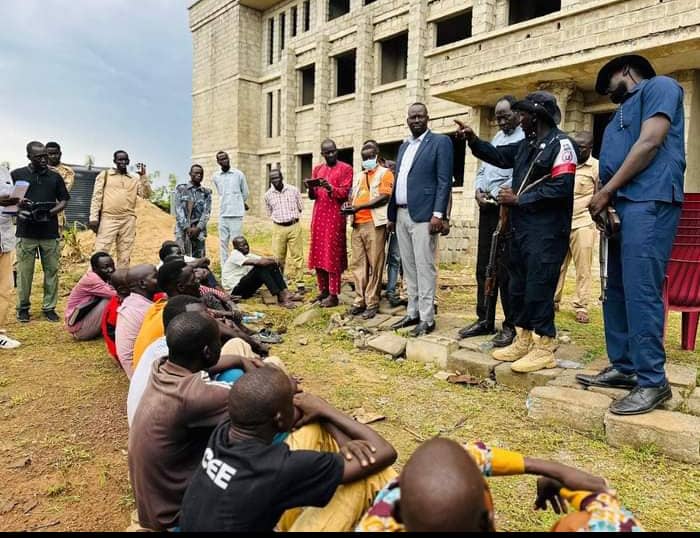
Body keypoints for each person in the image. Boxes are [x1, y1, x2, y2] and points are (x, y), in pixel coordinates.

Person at [577, 55, 685, 415]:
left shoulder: (660, 87)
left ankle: (653, 381)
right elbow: (606, 170)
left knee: (641, 289)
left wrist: (606, 194)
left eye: (609, 84)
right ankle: (625, 367)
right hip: (619, 208)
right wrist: (605, 203)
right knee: (616, 290)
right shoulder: (614, 121)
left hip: (650, 200)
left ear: (625, 71)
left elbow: (650, 142)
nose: (608, 94)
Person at [180, 366, 397, 532]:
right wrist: (325, 408)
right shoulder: (277, 467)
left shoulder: (224, 431)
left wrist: (331, 428)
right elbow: (384, 452)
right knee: (370, 476)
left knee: (313, 429)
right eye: (290, 403)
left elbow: (305, 415)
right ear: (279, 418)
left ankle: (344, 465)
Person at [455, 92, 577, 373]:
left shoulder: (562, 145)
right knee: (517, 285)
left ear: (536, 116)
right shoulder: (526, 145)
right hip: (520, 230)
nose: (519, 119)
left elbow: (561, 187)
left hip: (546, 233)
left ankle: (544, 346)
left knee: (539, 286)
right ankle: (523, 338)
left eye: (523, 114)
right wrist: (473, 140)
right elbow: (497, 155)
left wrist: (520, 200)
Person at [128, 312, 263, 531]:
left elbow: (209, 368)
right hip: (179, 519)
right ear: (208, 352)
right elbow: (267, 403)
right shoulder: (194, 395)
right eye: (219, 341)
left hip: (156, 506)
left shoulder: (161, 368)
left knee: (236, 375)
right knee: (272, 433)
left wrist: (240, 359)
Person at [356, 437, 641, 532]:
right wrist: (561, 476)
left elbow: (467, 456)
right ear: (487, 517)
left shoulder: (380, 519)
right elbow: (611, 514)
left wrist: (542, 467)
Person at [458, 96, 524, 347]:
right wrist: (477, 190)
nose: (502, 121)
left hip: (506, 210)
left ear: (517, 114)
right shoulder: (497, 138)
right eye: (498, 117)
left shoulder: (522, 141)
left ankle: (510, 325)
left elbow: (518, 176)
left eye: (506, 115)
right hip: (487, 208)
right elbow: (483, 169)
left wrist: (498, 194)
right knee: (483, 266)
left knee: (505, 270)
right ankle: (484, 318)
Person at [388, 104, 453, 337]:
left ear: (427, 118)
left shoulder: (440, 142)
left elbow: (444, 181)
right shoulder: (404, 147)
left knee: (425, 267)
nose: (416, 120)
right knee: (409, 267)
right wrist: (392, 214)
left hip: (424, 215)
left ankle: (427, 317)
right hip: (402, 214)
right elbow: (399, 181)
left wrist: (439, 214)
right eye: (412, 117)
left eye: (420, 116)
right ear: (407, 120)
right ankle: (412, 312)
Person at [12, 141, 70, 323]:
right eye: (39, 157)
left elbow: (63, 200)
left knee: (51, 271)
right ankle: (23, 308)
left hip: (49, 232)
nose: (45, 159)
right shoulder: (18, 175)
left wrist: (50, 213)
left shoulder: (55, 177)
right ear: (29, 157)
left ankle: (49, 308)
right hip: (26, 232)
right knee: (24, 273)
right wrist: (20, 209)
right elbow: (10, 201)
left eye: (46, 155)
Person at [345, 143, 394, 320]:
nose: (367, 160)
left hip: (375, 224)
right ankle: (360, 300)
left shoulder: (385, 173)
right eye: (364, 157)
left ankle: (372, 302)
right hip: (357, 224)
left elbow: (384, 197)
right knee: (358, 264)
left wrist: (358, 207)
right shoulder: (359, 176)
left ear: (377, 155)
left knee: (375, 264)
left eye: (370, 156)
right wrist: (350, 207)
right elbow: (353, 196)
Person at [554, 132, 599, 324]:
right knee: (557, 265)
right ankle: (553, 300)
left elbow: (600, 194)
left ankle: (581, 306)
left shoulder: (596, 167)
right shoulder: (565, 163)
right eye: (575, 145)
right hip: (562, 222)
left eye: (582, 147)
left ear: (589, 148)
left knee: (583, 268)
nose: (577, 149)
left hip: (583, 223)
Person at [306, 139, 353, 308]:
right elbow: (313, 197)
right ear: (323, 154)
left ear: (336, 151)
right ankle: (323, 291)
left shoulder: (346, 169)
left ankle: (334, 295)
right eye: (327, 152)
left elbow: (344, 193)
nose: (331, 154)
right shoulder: (318, 169)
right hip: (319, 217)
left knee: (332, 256)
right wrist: (311, 188)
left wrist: (329, 187)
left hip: (335, 218)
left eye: (333, 151)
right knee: (319, 255)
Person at [131, 259, 202, 369]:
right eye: (194, 280)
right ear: (181, 287)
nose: (198, 281)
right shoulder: (182, 315)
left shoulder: (157, 306)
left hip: (144, 374)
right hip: (158, 378)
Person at [88, 150, 151, 268]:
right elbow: (96, 197)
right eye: (120, 160)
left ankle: (120, 282)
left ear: (128, 161)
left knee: (125, 255)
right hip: (109, 218)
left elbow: (146, 195)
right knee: (100, 251)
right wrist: (94, 217)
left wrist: (143, 176)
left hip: (128, 220)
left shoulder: (133, 179)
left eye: (125, 160)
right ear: (114, 161)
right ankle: (93, 281)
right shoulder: (105, 175)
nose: (122, 162)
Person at [222, 236, 300, 309]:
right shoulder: (235, 255)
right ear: (236, 248)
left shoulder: (247, 255)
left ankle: (286, 293)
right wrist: (273, 261)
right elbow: (260, 263)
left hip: (245, 289)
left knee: (270, 265)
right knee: (261, 268)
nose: (246, 247)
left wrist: (274, 261)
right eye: (242, 246)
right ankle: (281, 297)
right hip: (235, 292)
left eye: (246, 244)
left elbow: (264, 260)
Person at [264, 168, 304, 291]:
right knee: (278, 258)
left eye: (277, 177)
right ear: (270, 180)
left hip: (294, 226)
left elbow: (300, 207)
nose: (275, 180)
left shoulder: (293, 190)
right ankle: (280, 283)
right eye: (272, 179)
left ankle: (300, 283)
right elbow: (269, 212)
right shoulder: (268, 195)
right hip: (278, 228)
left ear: (282, 177)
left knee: (297, 256)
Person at [116, 264, 159, 377]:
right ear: (142, 284)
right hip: (142, 373)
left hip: (138, 366)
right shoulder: (143, 309)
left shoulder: (133, 301)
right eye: (156, 276)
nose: (161, 278)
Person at [64, 252, 116, 340]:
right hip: (80, 330)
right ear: (94, 268)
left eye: (112, 265)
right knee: (111, 300)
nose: (111, 270)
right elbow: (116, 294)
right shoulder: (92, 279)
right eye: (106, 267)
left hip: (85, 321)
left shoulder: (102, 276)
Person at [213, 151, 249, 269]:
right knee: (223, 243)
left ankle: (237, 268)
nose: (225, 161)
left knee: (237, 243)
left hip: (236, 214)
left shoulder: (238, 174)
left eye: (226, 158)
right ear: (218, 162)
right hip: (223, 214)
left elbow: (245, 193)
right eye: (222, 159)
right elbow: (220, 193)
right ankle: (225, 269)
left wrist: (238, 202)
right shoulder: (216, 176)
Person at [0, 166, 21, 349]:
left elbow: (9, 204)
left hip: (4, 239)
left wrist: (17, 204)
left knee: (4, 289)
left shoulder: (4, 171)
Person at [174, 164, 211, 258]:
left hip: (199, 230)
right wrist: (186, 227)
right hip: (182, 229)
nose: (199, 175)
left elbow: (206, 212)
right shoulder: (181, 189)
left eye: (201, 173)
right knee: (181, 257)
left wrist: (198, 228)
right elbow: (178, 210)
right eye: (196, 173)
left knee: (198, 259)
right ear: (190, 174)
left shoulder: (206, 192)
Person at [46, 141, 74, 234]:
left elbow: (63, 193)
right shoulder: (38, 169)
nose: (53, 156)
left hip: (56, 213)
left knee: (55, 244)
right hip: (36, 213)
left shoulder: (67, 171)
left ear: (60, 154)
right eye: (50, 154)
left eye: (56, 154)